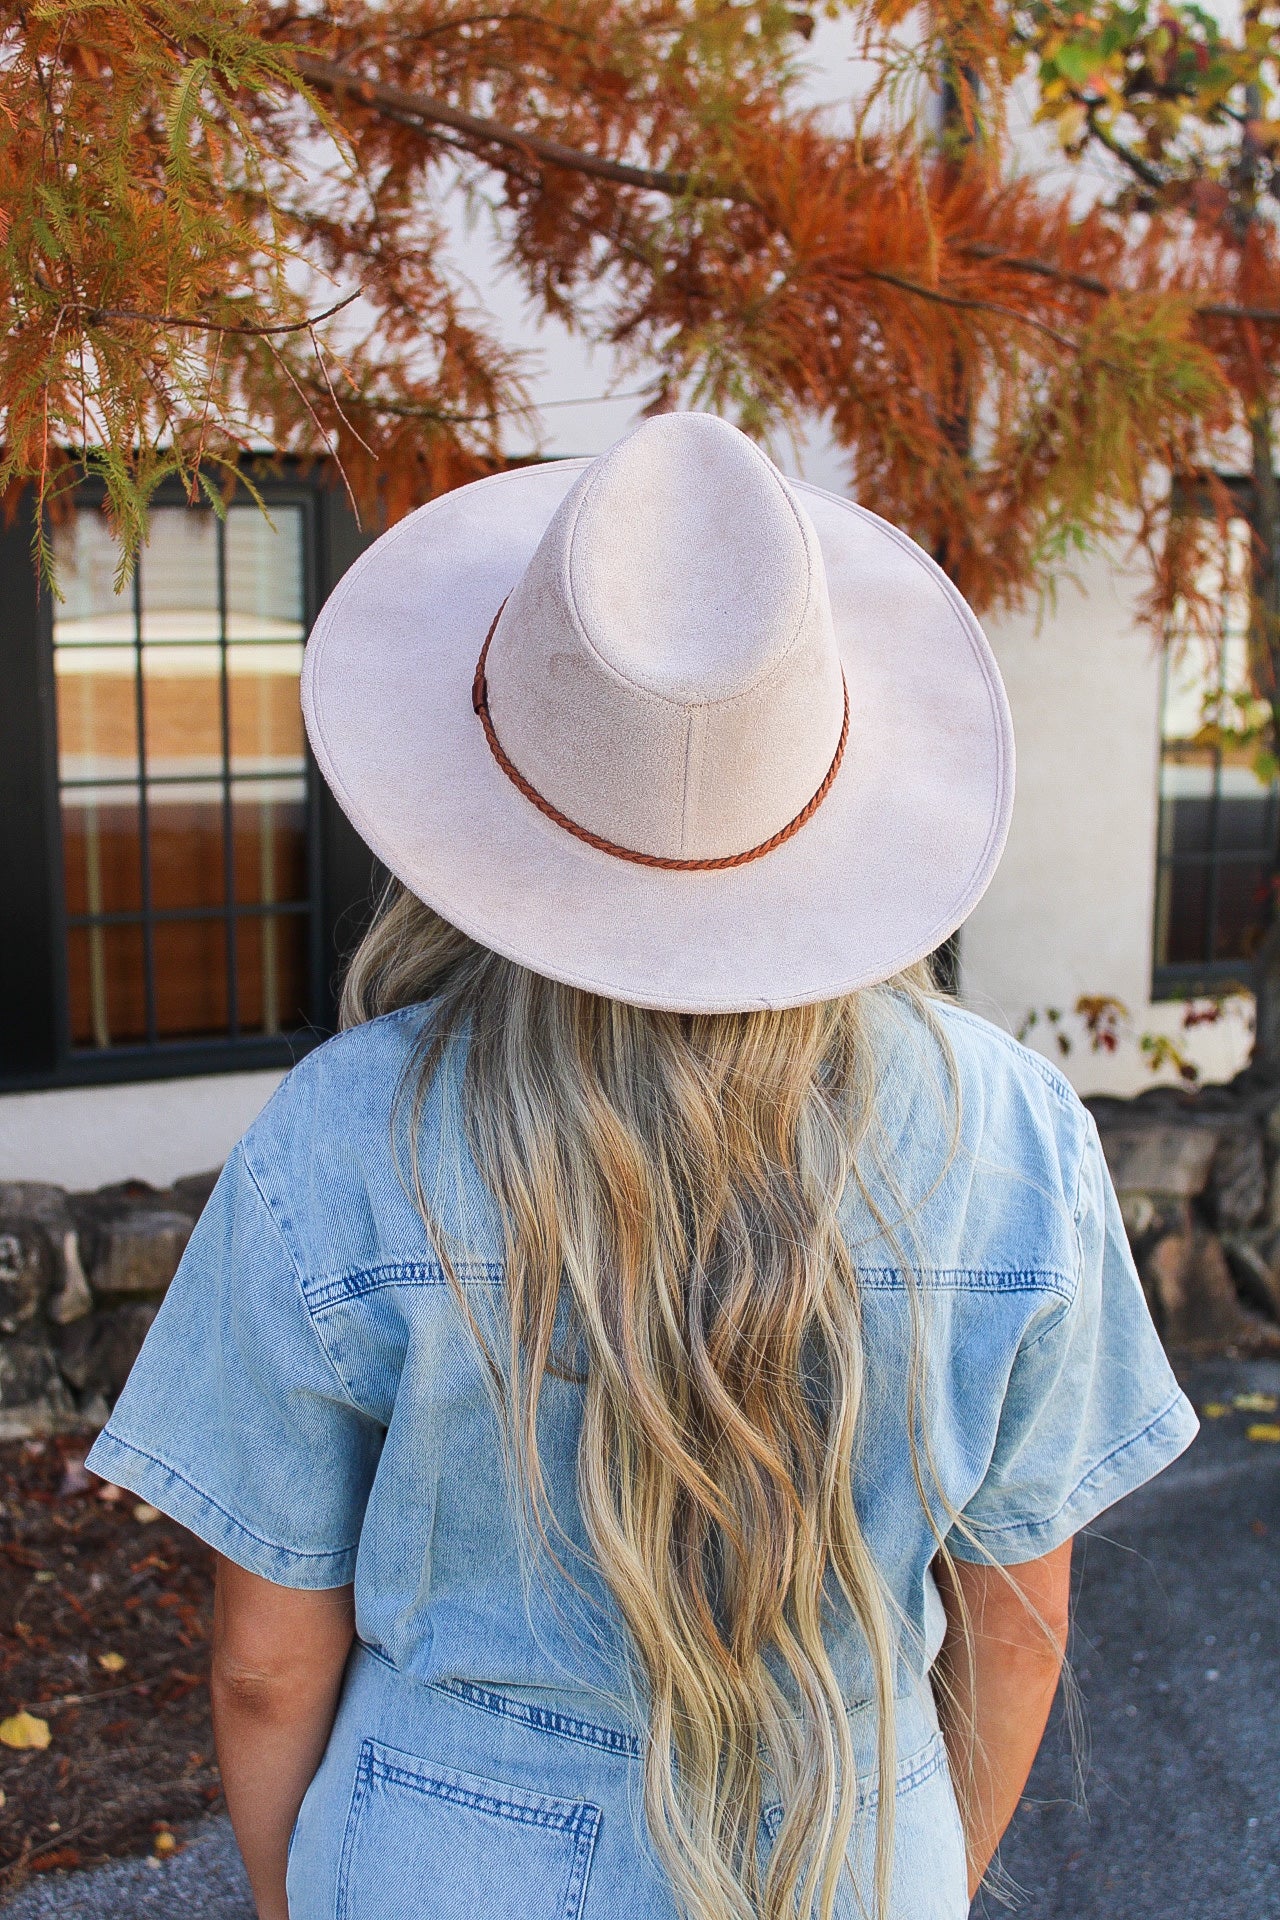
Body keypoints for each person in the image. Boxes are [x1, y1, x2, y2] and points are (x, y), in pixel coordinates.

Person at [87, 413, 1197, 1920]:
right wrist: (913, 1861)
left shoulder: (345, 1131)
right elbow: (1017, 1625)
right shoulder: (1017, 1129)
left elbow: (266, 1667)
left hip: (442, 1855)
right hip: (858, 1852)